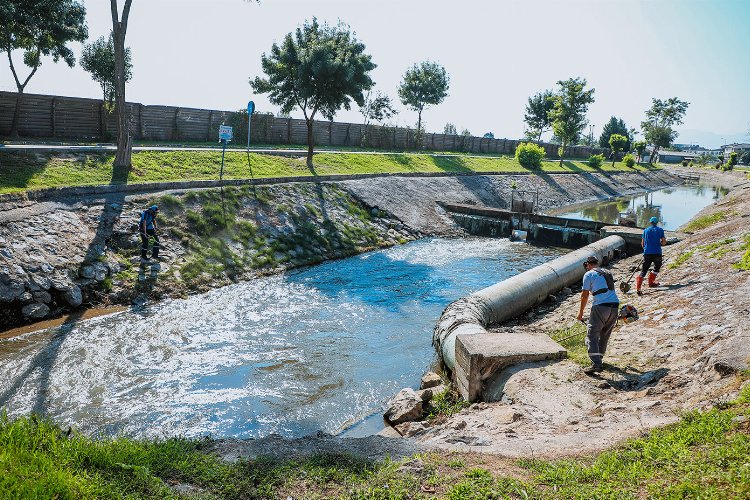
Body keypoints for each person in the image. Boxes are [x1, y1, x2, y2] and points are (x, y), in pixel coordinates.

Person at [576, 256, 619, 375]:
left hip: (600, 306)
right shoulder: (607, 272)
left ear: (588, 265)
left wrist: (580, 313)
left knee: (592, 335)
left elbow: (585, 295)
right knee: (604, 334)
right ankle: (599, 359)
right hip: (614, 306)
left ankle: (596, 364)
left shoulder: (589, 274)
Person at [636, 216, 666, 295]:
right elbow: (663, 242)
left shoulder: (645, 231)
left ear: (650, 222)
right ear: (657, 223)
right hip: (657, 252)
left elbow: (642, 243)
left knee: (644, 270)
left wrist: (646, 250)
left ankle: (638, 288)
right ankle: (651, 282)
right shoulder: (660, 230)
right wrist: (659, 244)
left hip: (647, 253)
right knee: (657, 267)